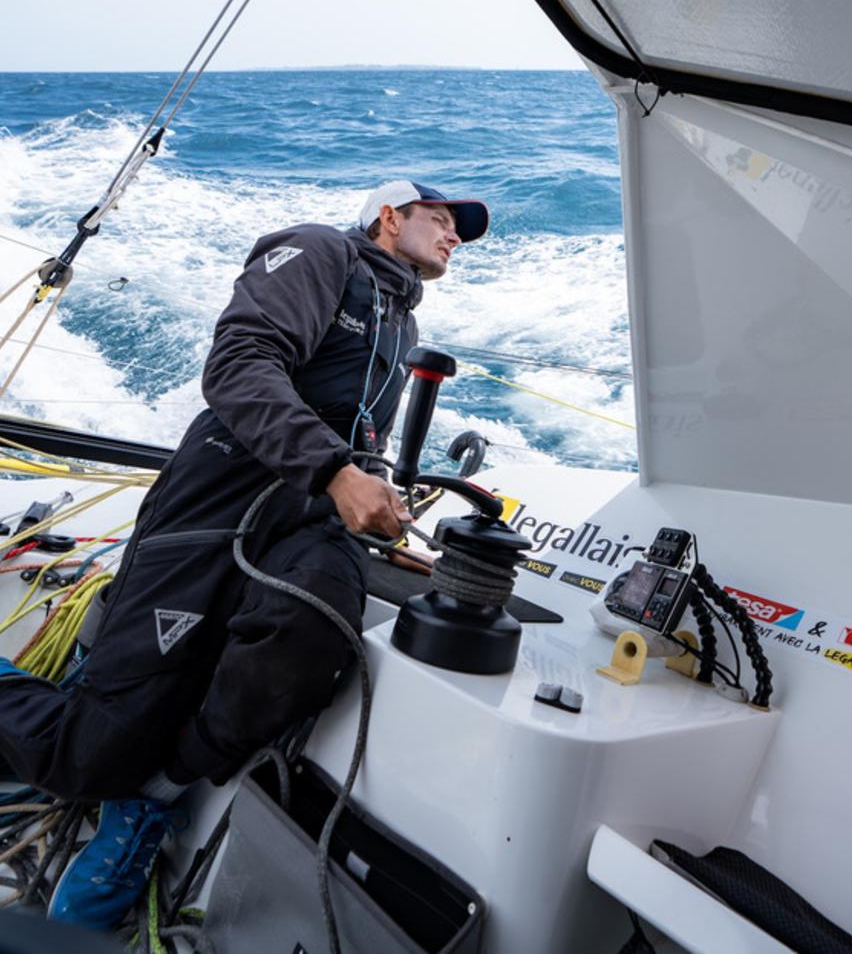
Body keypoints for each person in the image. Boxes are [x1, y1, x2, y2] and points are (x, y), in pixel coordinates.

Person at [0, 179, 488, 929]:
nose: (454, 236)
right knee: (88, 756)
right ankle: (109, 759)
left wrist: (376, 498)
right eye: (442, 218)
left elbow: (359, 433)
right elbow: (238, 364)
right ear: (389, 217)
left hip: (309, 518)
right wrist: (335, 472)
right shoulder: (322, 252)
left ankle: (159, 789)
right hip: (220, 493)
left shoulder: (400, 321)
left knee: (317, 622)